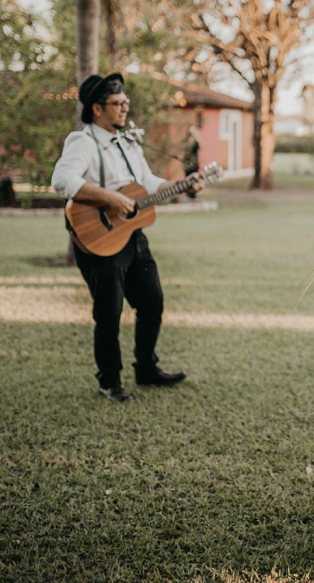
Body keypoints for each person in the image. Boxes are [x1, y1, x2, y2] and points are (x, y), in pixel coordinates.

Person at [51, 73, 204, 403]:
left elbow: (147, 183)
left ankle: (147, 370)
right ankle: (109, 381)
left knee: (153, 302)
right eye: (117, 103)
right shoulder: (83, 142)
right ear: (96, 108)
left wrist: (183, 184)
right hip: (99, 239)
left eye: (126, 103)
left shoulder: (129, 143)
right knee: (109, 312)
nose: (124, 108)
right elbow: (62, 180)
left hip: (132, 236)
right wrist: (110, 198)